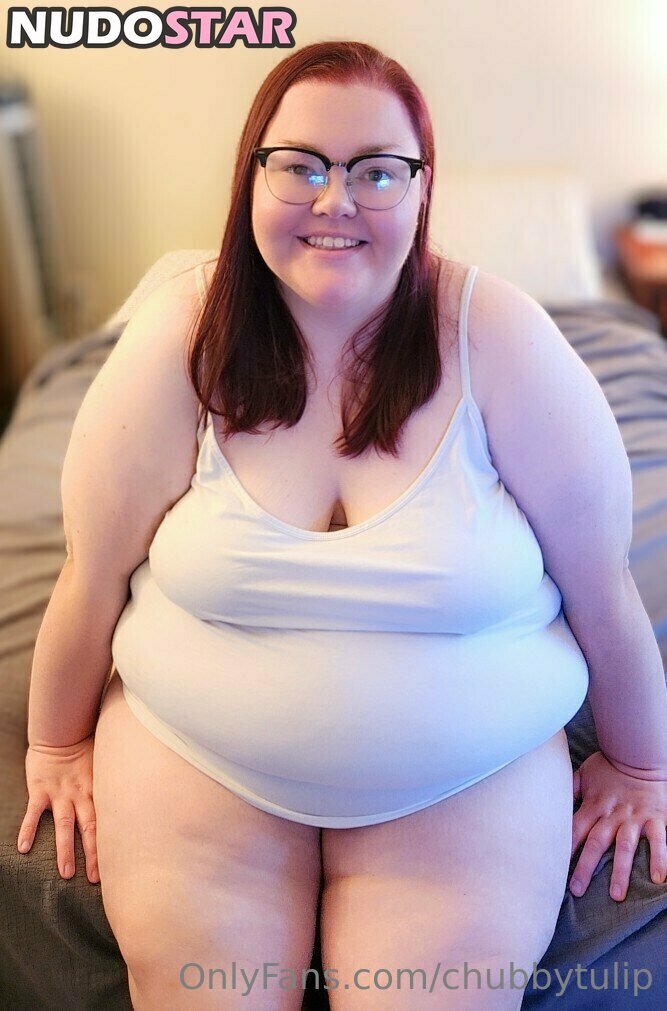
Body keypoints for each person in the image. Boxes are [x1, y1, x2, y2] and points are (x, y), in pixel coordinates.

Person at [18, 40, 667, 1011]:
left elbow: (600, 582)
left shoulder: (503, 336)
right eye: (301, 165)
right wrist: (55, 748)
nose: (335, 200)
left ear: (421, 187)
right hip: (196, 759)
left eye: (375, 171)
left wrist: (641, 764)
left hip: (467, 778)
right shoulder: (181, 332)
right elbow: (92, 571)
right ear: (251, 177)